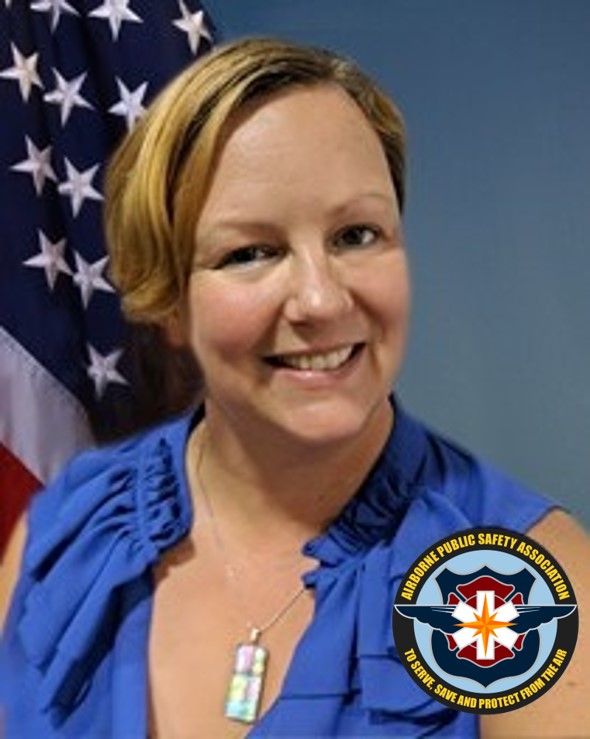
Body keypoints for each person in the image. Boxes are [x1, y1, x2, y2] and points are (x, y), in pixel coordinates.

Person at [1, 36, 589, 738]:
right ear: (168, 303)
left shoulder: (520, 586)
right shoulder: (62, 536)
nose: (321, 299)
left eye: (356, 235)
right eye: (251, 252)